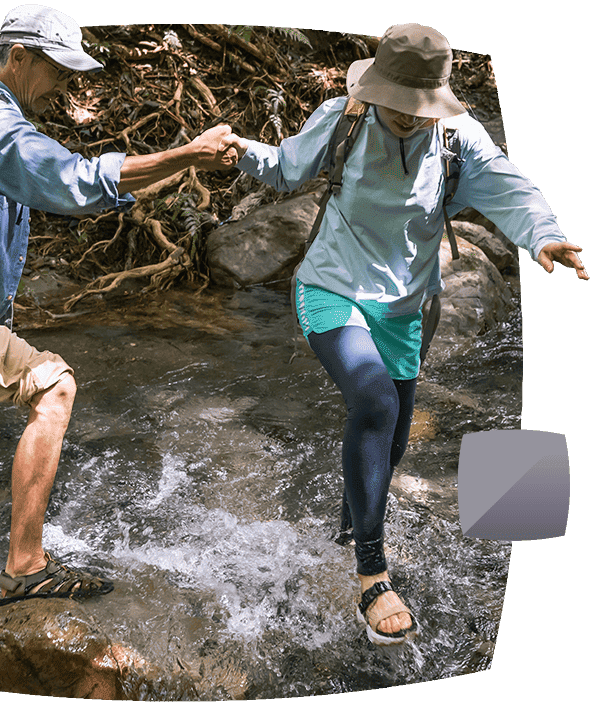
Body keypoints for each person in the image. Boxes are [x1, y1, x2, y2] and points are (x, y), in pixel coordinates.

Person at [221, 23, 588, 645]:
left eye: (421, 109)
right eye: (399, 106)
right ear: (375, 90)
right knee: (374, 401)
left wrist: (543, 234)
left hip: (408, 305)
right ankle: (372, 573)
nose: (410, 119)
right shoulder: (342, 119)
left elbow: (513, 192)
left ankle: (347, 533)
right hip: (331, 287)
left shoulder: (457, 139)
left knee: (390, 432)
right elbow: (284, 169)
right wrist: (235, 148)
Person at [0, 4, 235, 608]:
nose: (67, 84)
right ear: (18, 57)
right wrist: (186, 156)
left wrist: (149, 175)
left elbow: (70, 187)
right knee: (55, 387)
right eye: (59, 69)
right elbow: (73, 180)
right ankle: (25, 566)